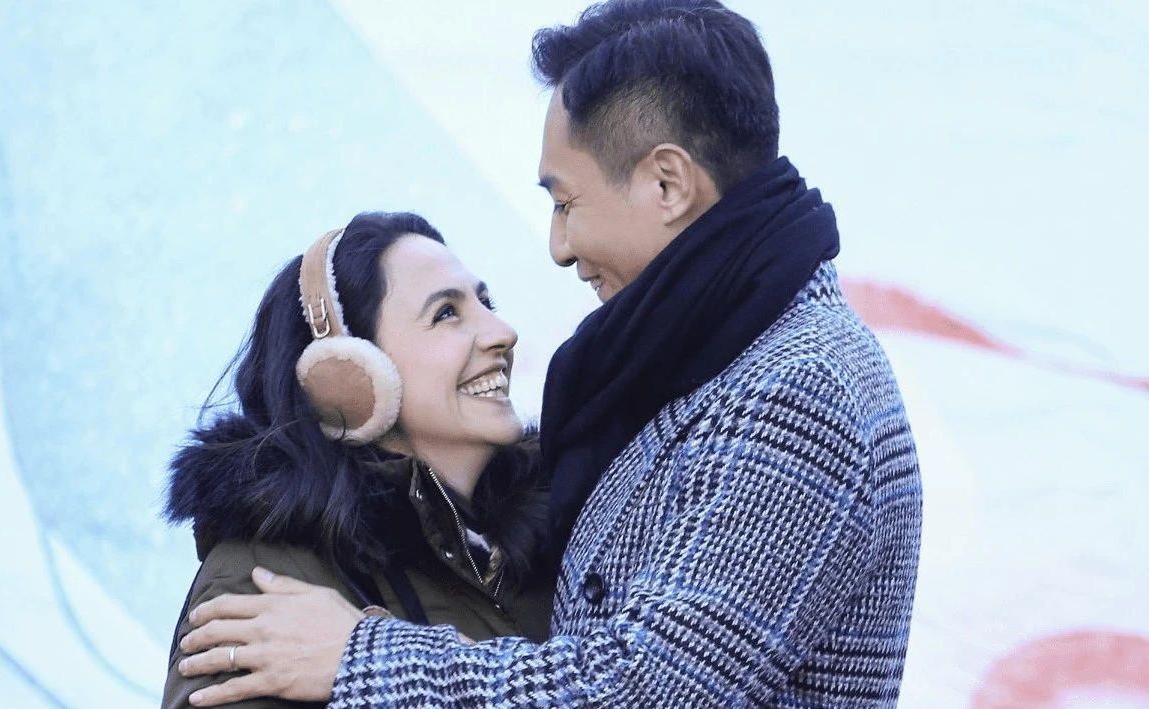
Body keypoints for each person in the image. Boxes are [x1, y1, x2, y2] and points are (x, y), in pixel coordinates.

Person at [176, 1, 924, 705]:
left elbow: (646, 688)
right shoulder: (722, 359)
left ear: (667, 183)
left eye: (565, 201)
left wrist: (359, 657)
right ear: (349, 378)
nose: (560, 246)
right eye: (445, 312)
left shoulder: (797, 388)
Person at [160, 211, 554, 708]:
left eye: (486, 302)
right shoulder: (260, 584)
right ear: (348, 376)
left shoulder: (559, 543)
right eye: (446, 314)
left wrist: (377, 661)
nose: (502, 332)